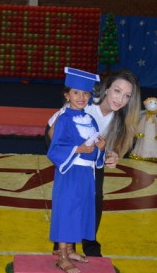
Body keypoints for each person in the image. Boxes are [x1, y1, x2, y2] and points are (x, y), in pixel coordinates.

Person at [46, 69, 141, 257]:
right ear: (106, 89)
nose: (120, 99)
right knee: (69, 198)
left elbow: (113, 149)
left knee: (95, 198)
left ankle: (90, 245)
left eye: (127, 96)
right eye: (117, 91)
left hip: (92, 158)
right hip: (67, 151)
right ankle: (62, 246)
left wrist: (112, 155)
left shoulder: (122, 121)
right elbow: (52, 135)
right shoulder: (86, 104)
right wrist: (73, 151)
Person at [47, 67, 106, 273]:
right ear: (67, 95)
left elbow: (97, 148)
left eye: (86, 93)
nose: (81, 97)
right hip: (69, 173)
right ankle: (62, 254)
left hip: (86, 175)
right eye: (76, 93)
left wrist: (101, 148)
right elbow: (55, 149)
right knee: (66, 210)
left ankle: (71, 249)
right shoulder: (63, 120)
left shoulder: (90, 120)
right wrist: (79, 149)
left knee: (80, 209)